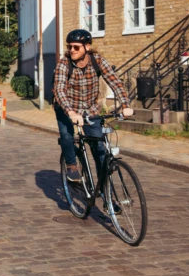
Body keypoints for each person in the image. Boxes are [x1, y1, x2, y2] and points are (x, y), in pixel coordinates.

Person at [53, 29, 133, 185]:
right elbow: (59, 89)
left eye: (76, 47)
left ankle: (106, 195)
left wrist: (125, 105)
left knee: (100, 150)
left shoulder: (97, 61)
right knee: (67, 136)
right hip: (66, 107)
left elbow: (115, 82)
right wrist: (70, 112)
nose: (72, 50)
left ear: (87, 47)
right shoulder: (64, 63)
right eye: (70, 47)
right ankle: (71, 165)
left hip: (90, 109)